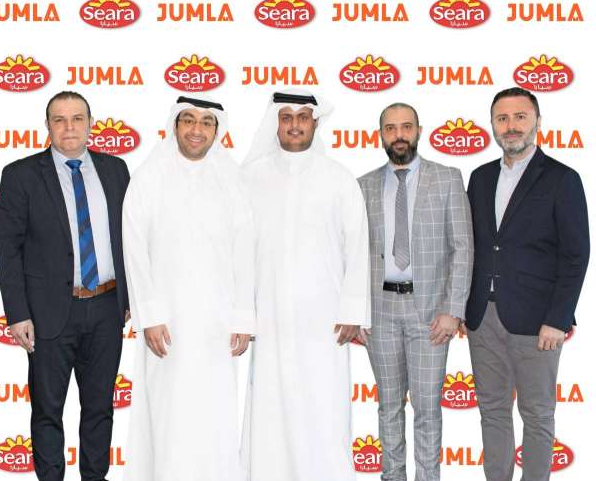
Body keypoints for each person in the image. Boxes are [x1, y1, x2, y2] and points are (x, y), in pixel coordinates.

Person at [0, 91, 130, 481]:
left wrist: (131, 297)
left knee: (100, 407)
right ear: (47, 126)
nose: (69, 127)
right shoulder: (21, 174)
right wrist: (17, 313)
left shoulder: (116, 170)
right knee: (47, 411)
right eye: (59, 119)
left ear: (90, 123)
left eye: (77, 118)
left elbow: (131, 237)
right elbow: (8, 249)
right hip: (48, 312)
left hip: (107, 307)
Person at [122, 96, 254, 481]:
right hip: (167, 324)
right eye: (189, 120)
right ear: (175, 125)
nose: (197, 130)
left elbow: (245, 252)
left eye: (206, 122)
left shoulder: (232, 180)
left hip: (217, 323)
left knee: (214, 414)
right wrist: (149, 315)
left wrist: (242, 317)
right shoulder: (149, 177)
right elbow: (135, 250)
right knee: (169, 413)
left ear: (217, 130)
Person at [241, 90, 370, 481]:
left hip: (325, 320)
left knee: (324, 407)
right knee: (271, 407)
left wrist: (353, 311)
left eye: (302, 117)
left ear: (315, 123)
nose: (294, 125)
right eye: (286, 117)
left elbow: (357, 246)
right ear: (275, 123)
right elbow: (237, 251)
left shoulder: (338, 178)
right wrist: (243, 312)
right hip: (269, 317)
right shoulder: (250, 178)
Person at [465, 87, 589, 481]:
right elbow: (474, 246)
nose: (511, 126)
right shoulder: (480, 178)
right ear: (492, 125)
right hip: (482, 318)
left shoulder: (562, 179)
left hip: (538, 322)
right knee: (492, 411)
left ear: (537, 122)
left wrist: (558, 318)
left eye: (520, 117)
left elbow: (576, 255)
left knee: (537, 414)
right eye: (502, 118)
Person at [357, 103, 473, 481]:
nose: (399, 135)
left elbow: (462, 246)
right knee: (388, 406)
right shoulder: (363, 186)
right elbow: (353, 255)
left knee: (427, 409)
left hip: (431, 314)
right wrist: (357, 311)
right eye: (390, 128)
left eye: (406, 127)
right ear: (381, 135)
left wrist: (453, 309)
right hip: (380, 311)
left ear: (419, 131)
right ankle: (392, 476)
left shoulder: (448, 178)